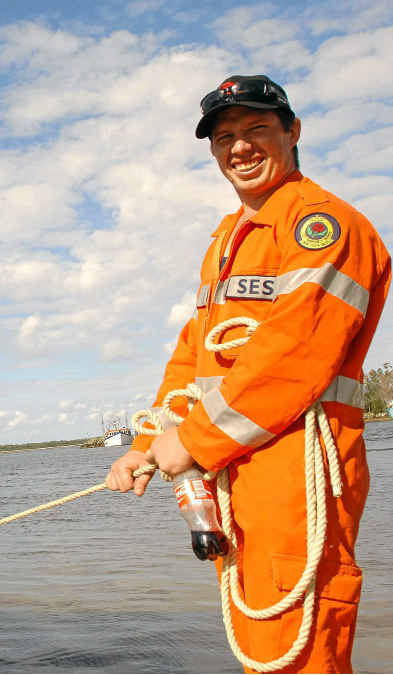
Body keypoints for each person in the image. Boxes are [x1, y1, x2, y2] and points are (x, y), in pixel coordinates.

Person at [106, 75, 390, 672]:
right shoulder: (228, 241)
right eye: (224, 137)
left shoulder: (323, 226)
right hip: (236, 472)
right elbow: (194, 358)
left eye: (257, 128)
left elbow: (295, 355)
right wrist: (147, 445)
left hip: (298, 468)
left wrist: (194, 441)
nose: (239, 147)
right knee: (261, 641)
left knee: (297, 646)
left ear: (293, 132)